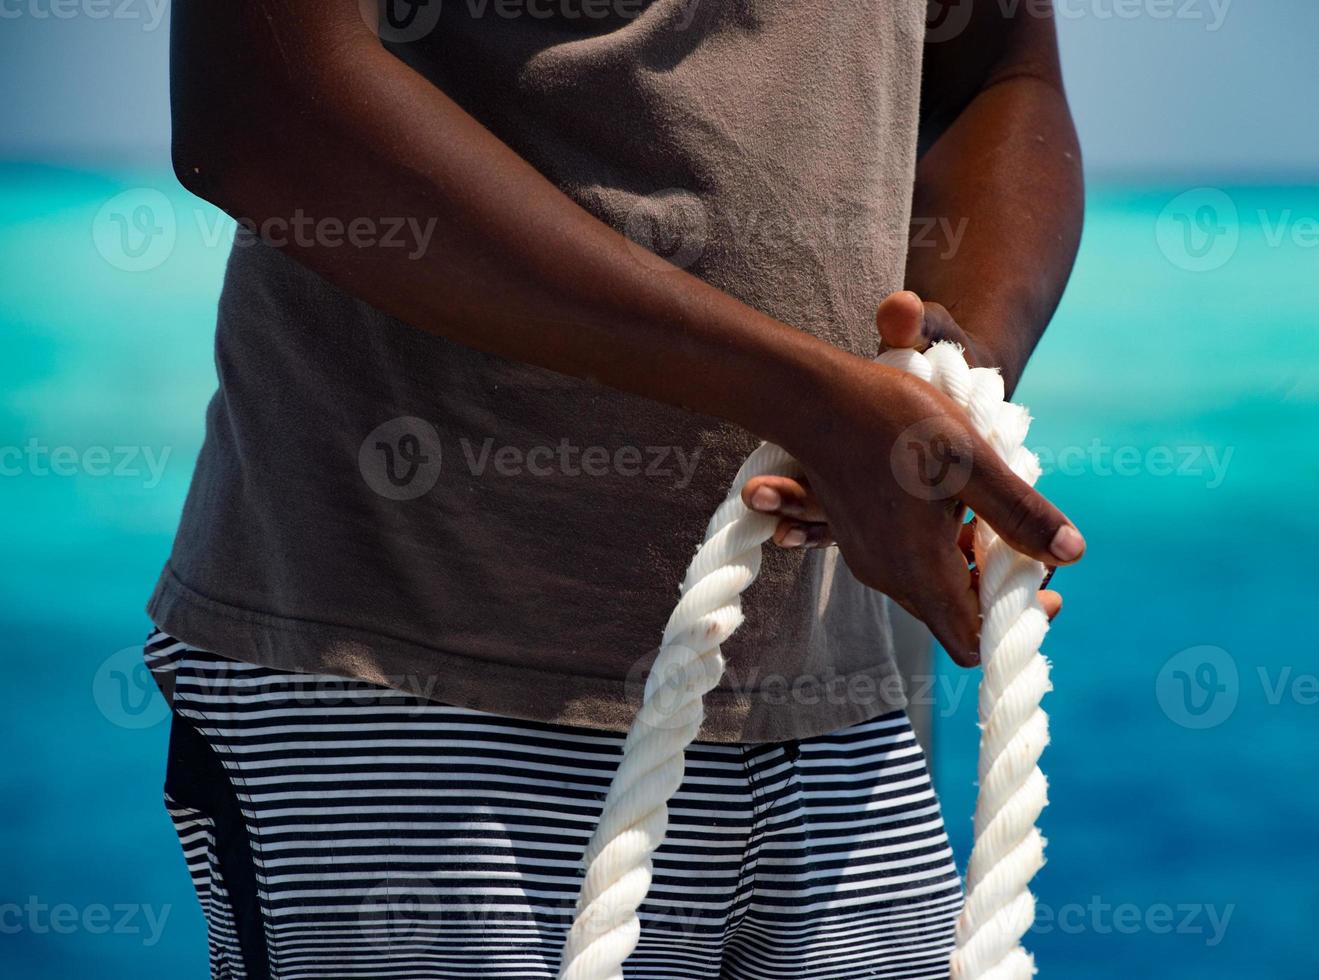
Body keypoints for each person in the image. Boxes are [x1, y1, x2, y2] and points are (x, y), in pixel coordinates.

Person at [147, 1, 1085, 976]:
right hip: (418, 679)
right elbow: (258, 109)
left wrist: (946, 377)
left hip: (831, 704)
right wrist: (808, 400)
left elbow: (996, 77)